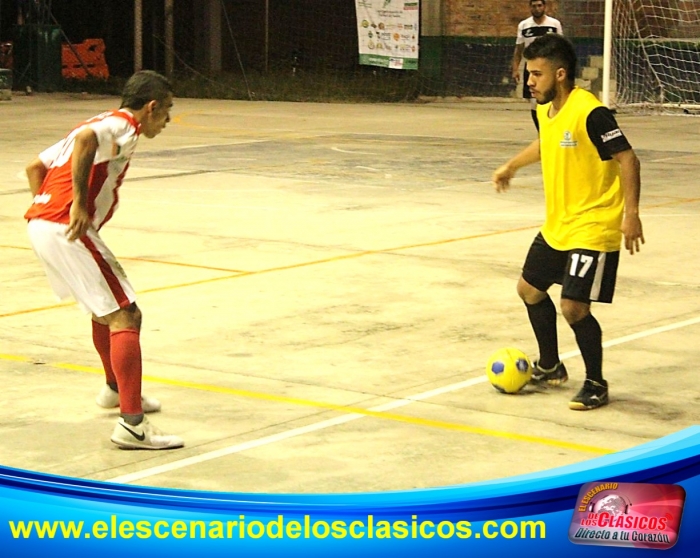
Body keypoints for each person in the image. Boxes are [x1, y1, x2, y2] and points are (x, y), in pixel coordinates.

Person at [24, 70, 185, 448]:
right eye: (167, 111)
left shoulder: (99, 120)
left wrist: (47, 210)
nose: (168, 120)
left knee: (104, 309)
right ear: (151, 107)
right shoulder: (122, 125)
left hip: (43, 223)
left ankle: (116, 390)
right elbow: (84, 142)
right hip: (64, 226)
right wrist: (76, 204)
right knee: (126, 313)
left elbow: (36, 168)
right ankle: (132, 424)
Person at [492, 34, 644, 410]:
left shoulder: (591, 112)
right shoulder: (544, 109)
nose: (529, 81)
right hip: (559, 224)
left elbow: (628, 159)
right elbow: (546, 141)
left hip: (594, 225)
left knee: (574, 307)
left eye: (537, 74)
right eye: (529, 73)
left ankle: (596, 383)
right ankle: (551, 365)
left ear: (560, 75)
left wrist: (632, 214)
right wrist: (512, 165)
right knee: (529, 290)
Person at [512, 0, 563, 130]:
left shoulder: (554, 24)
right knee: (535, 101)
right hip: (532, 69)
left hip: (550, 68)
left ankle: (554, 128)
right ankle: (541, 132)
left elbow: (561, 46)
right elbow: (519, 49)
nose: (537, 8)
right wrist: (515, 68)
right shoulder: (524, 25)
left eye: (539, 5)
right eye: (534, 6)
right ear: (530, 7)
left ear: (544, 7)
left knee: (551, 98)